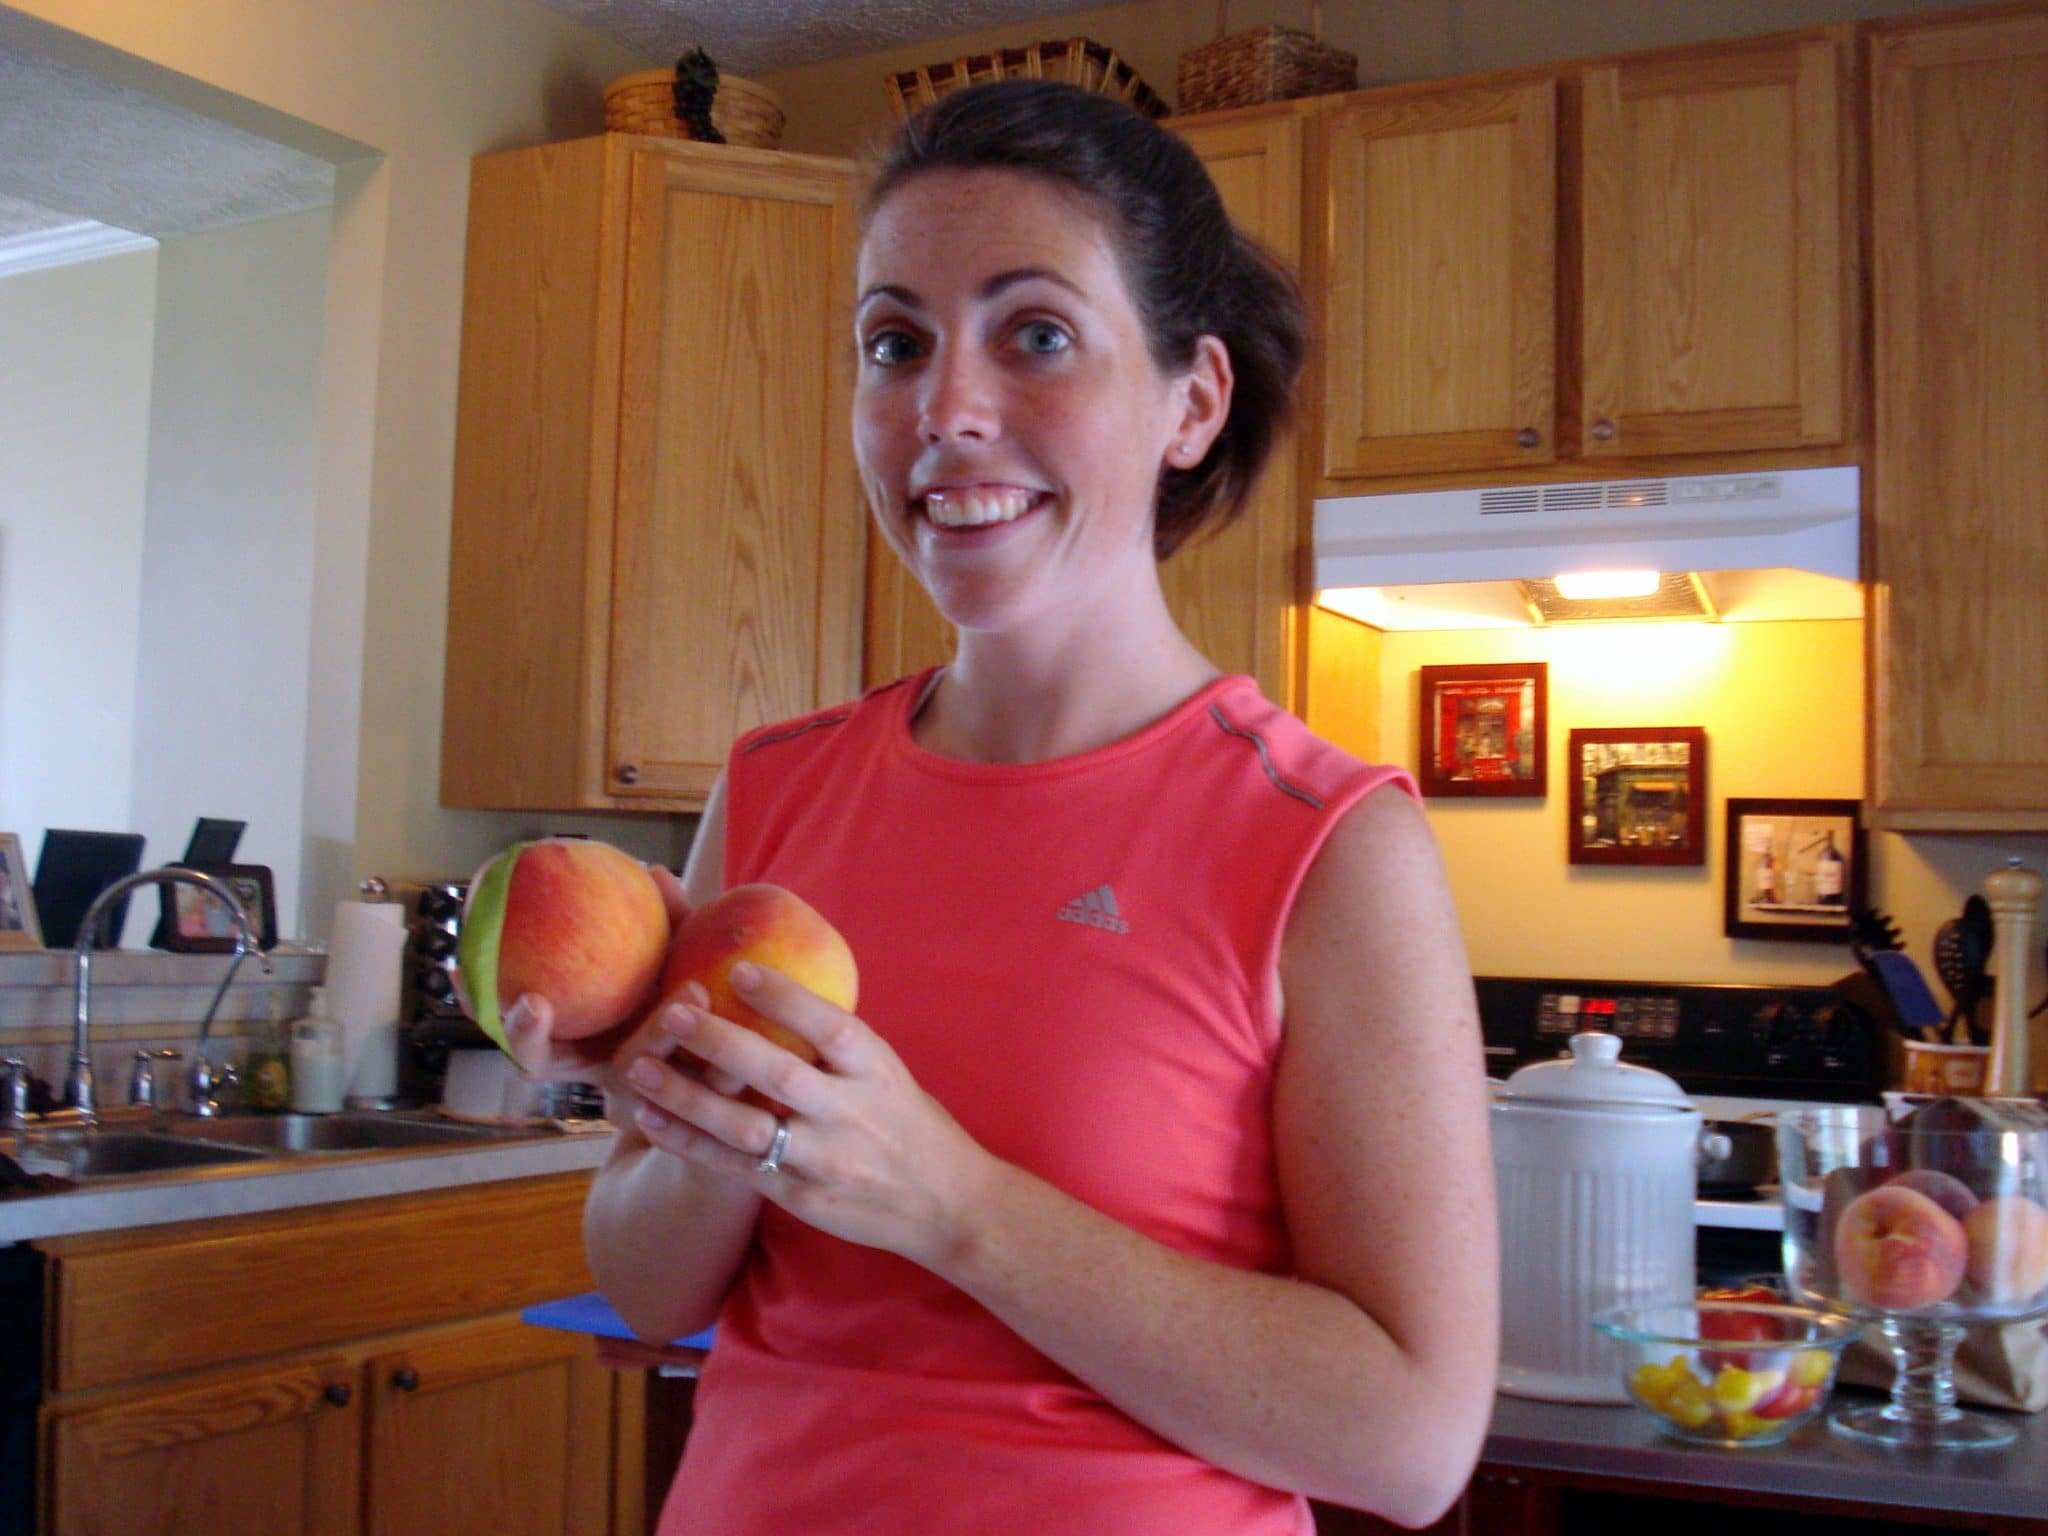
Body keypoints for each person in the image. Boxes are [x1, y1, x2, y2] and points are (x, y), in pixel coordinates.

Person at [505, 79, 1497, 1535]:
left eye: (1036, 334)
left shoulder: (1325, 843)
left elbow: (1409, 1444)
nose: (945, 412)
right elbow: (652, 1288)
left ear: (1192, 401)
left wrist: (949, 1200)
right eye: (894, 344)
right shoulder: (773, 791)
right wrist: (696, 1115)